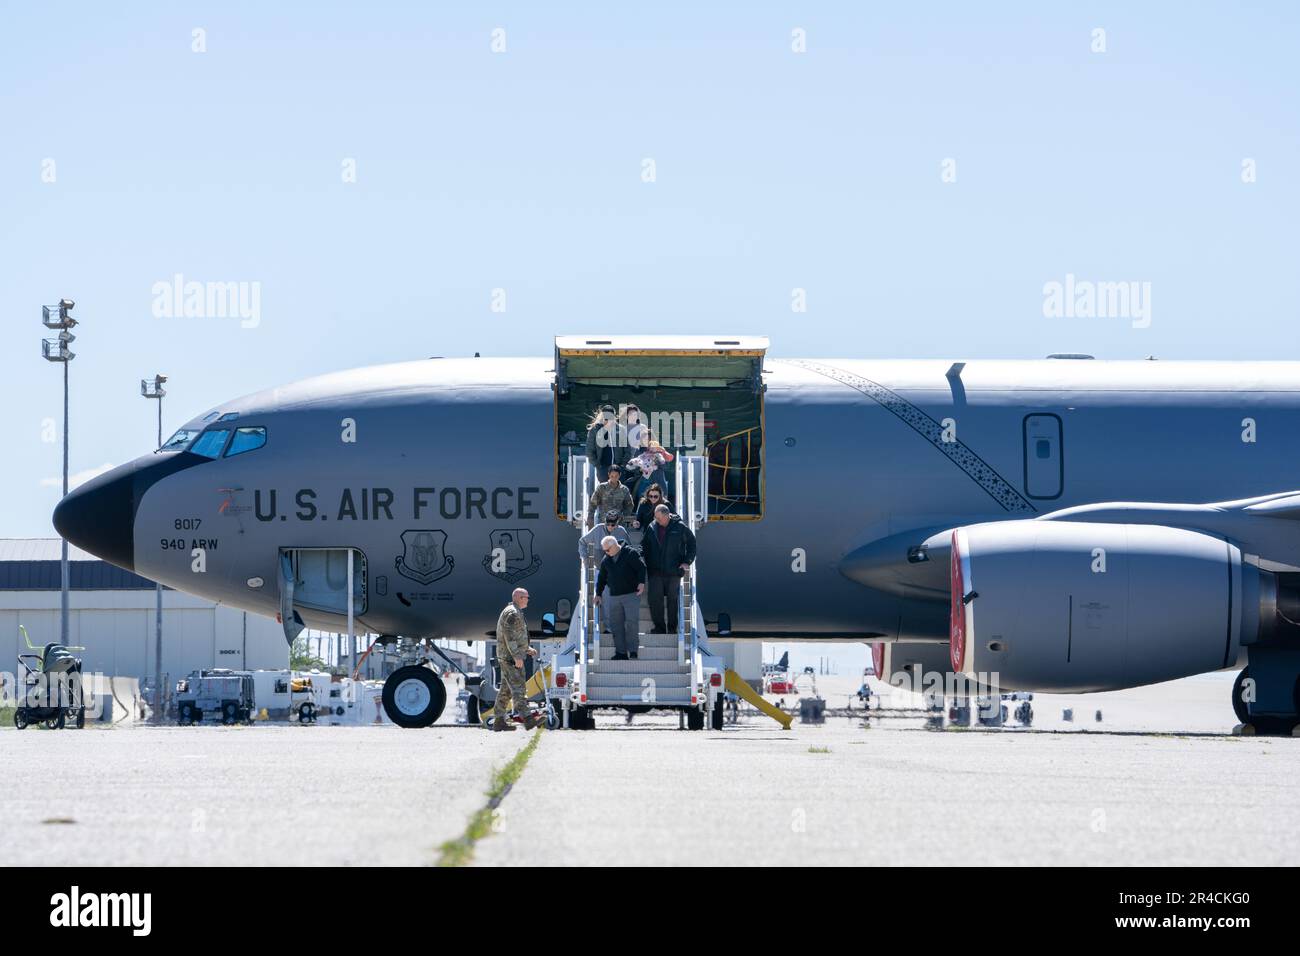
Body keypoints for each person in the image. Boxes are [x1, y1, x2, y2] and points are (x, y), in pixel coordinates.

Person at [639, 504, 697, 634]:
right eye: (655, 517)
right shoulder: (652, 527)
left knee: (673, 600)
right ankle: (659, 627)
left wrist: (687, 562)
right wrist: (640, 556)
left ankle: (672, 628)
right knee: (654, 600)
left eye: (659, 518)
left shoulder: (680, 527)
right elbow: (644, 545)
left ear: (667, 516)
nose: (656, 520)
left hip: (673, 571)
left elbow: (692, 543)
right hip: (655, 571)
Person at [494, 587, 542, 731]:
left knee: (506, 690)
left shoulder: (515, 612)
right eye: (527, 597)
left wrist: (527, 649)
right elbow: (509, 637)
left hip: (508, 657)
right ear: (520, 598)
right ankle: (527, 719)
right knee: (518, 688)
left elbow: (517, 636)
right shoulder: (512, 613)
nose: (528, 600)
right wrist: (516, 656)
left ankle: (499, 721)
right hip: (510, 658)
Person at [593, 536, 646, 660]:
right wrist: (599, 594)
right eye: (604, 550)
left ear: (615, 545)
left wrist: (641, 583)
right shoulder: (606, 560)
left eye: (607, 550)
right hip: (614, 596)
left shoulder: (630, 553)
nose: (606, 552)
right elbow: (601, 578)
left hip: (631, 595)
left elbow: (641, 568)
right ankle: (621, 653)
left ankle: (633, 651)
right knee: (616, 625)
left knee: (632, 623)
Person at [585, 405, 630, 482]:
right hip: (603, 468)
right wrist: (598, 465)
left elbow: (628, 450)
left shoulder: (621, 430)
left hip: (618, 468)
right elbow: (589, 450)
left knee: (619, 491)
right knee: (605, 491)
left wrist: (622, 465)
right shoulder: (595, 430)